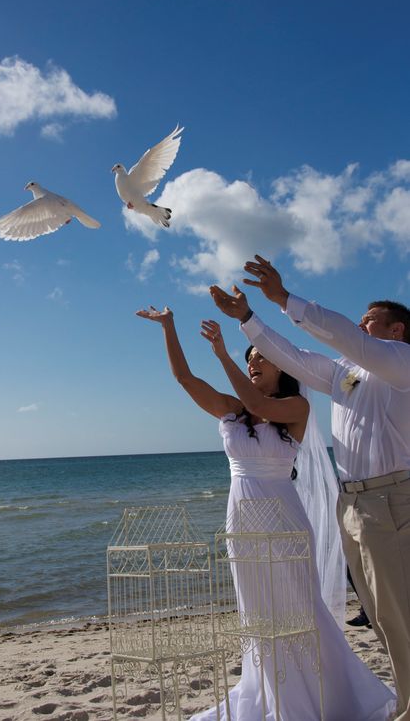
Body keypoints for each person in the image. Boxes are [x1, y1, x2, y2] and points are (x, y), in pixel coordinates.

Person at [136, 305, 395, 721]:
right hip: (241, 524)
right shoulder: (233, 411)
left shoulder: (297, 408)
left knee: (298, 611)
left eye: (260, 357)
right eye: (249, 359)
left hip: (284, 523)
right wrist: (169, 326)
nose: (253, 362)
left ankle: (327, 696)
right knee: (259, 616)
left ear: (283, 368)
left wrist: (223, 354)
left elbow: (258, 401)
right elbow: (185, 379)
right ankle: (273, 695)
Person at [210, 254, 410, 721]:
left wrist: (283, 298)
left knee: (400, 613)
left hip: (393, 499)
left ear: (397, 331)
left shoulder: (401, 361)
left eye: (371, 320)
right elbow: (293, 358)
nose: (362, 324)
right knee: (383, 616)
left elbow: (342, 335)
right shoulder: (346, 374)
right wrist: (247, 320)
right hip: (355, 503)